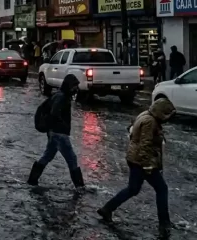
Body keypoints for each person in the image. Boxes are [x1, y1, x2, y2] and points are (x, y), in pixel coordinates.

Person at [97, 97, 175, 237]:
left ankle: (107, 208)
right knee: (162, 189)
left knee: (133, 189)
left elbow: (132, 129)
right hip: (142, 162)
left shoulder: (145, 115)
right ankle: (164, 224)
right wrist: (148, 166)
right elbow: (145, 146)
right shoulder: (150, 122)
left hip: (134, 159)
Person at [27, 74, 85, 190]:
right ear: (69, 86)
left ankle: (32, 180)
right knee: (72, 158)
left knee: (47, 156)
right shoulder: (61, 97)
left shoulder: (61, 96)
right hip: (59, 134)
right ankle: (80, 186)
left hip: (55, 133)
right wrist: (61, 126)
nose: (76, 89)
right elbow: (54, 114)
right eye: (74, 86)